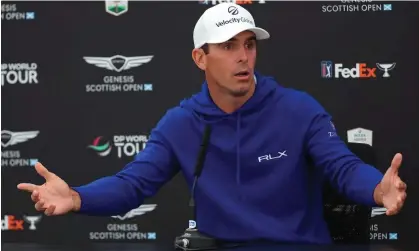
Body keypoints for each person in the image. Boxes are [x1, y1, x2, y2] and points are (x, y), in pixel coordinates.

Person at [18, 3, 407, 244]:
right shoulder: (181, 123)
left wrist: (377, 188)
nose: (243, 57)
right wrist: (77, 198)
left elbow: (342, 167)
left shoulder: (298, 109)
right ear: (200, 58)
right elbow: (132, 185)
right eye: (227, 46)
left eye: (248, 44)